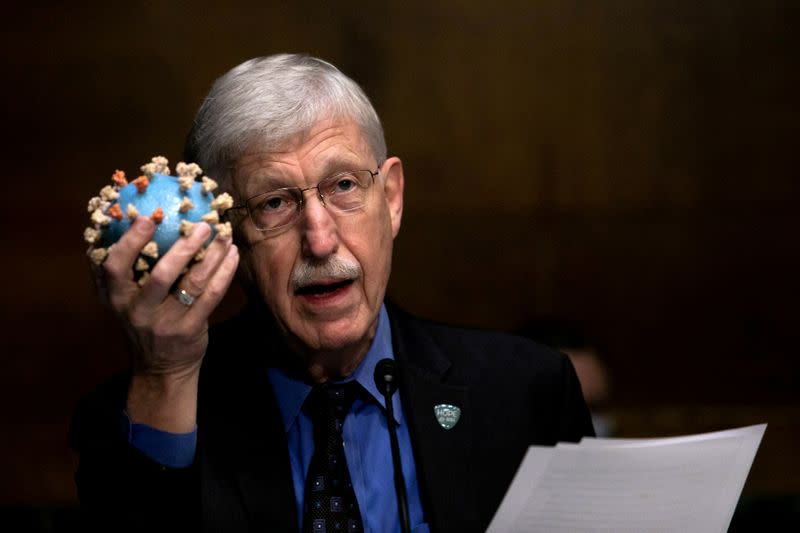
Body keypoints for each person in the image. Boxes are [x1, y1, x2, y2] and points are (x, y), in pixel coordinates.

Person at [70, 54, 594, 533]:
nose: (320, 240)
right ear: (225, 233)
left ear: (390, 199)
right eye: (274, 203)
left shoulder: (528, 392)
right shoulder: (141, 414)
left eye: (343, 185)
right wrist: (168, 376)